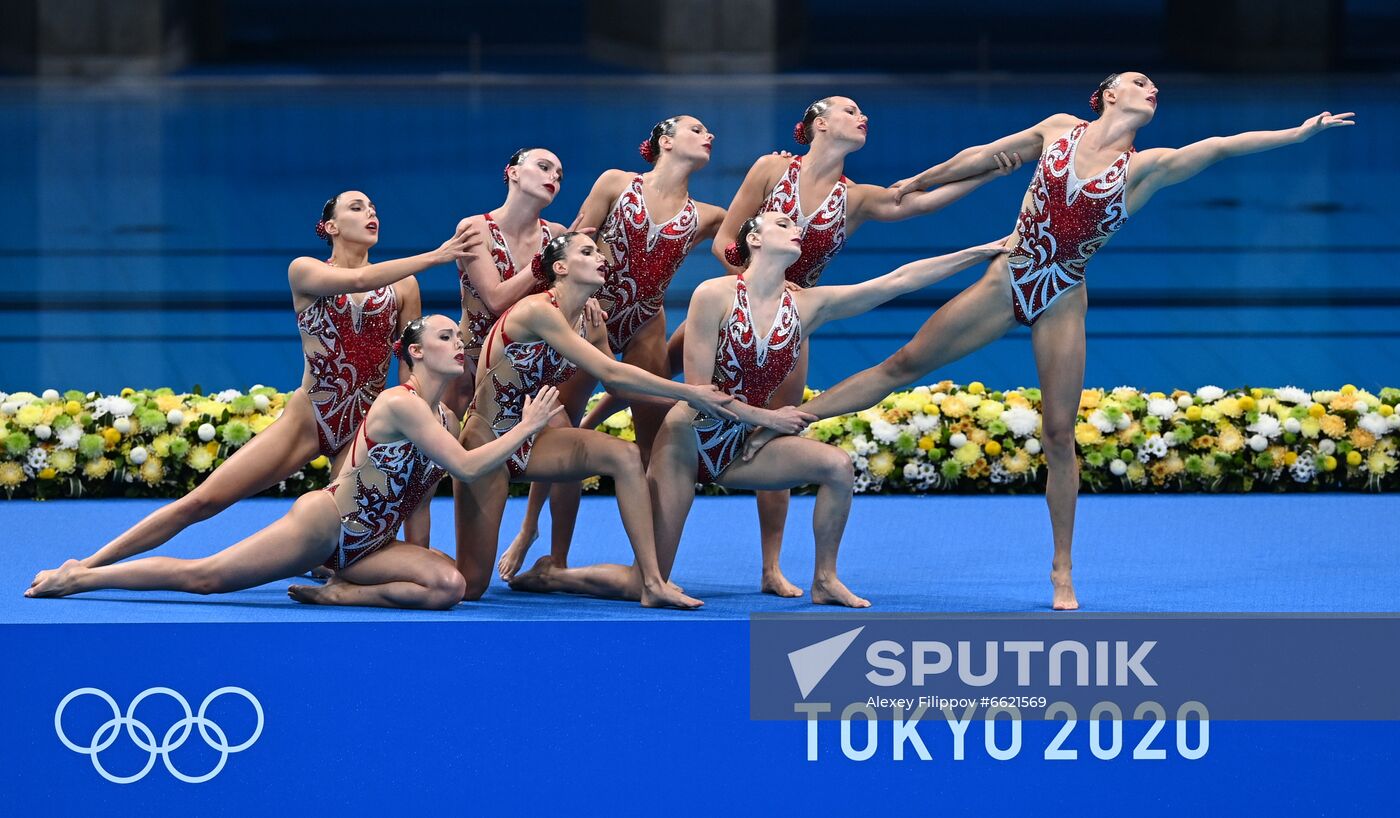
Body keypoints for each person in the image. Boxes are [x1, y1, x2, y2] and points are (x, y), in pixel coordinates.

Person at [746, 73, 1355, 610]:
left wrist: (1294, 135)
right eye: (1140, 83)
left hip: (1062, 293)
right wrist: (918, 181)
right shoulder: (1059, 130)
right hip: (1008, 274)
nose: (1152, 91)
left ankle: (1062, 567)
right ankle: (778, 421)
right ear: (1108, 94)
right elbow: (984, 156)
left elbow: (1219, 147)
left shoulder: (1143, 166)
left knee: (1060, 434)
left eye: (1155, 89)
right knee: (902, 364)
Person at [510, 213, 1007, 606]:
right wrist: (767, 420)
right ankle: (558, 577)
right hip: (689, 440)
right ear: (754, 240)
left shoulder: (809, 305)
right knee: (649, 581)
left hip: (741, 443)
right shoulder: (714, 295)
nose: (797, 230)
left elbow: (896, 281)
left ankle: (825, 578)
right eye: (783, 224)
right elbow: (701, 393)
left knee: (836, 466)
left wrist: (978, 252)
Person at [27, 315, 562, 608]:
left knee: (449, 587)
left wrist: (409, 556)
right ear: (414, 353)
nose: (459, 342)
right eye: (446, 336)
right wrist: (526, 428)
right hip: (323, 526)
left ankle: (342, 595)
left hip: (370, 547)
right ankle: (80, 576)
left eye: (458, 336)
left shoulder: (445, 420)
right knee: (207, 578)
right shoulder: (400, 404)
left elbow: (416, 501)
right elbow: (470, 469)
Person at [76, 191, 479, 570]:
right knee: (203, 501)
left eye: (373, 207)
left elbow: (411, 367)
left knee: (347, 536)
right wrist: (436, 255)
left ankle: (373, 576)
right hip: (311, 418)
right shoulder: (305, 271)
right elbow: (357, 282)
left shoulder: (404, 286)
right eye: (357, 207)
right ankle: (88, 564)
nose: (371, 213)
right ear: (331, 226)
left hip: (365, 425)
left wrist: (419, 424)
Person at [453, 231, 805, 608]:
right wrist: (689, 392)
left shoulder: (590, 321)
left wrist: (686, 410)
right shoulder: (538, 311)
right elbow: (615, 372)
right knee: (469, 586)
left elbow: (616, 389)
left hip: (532, 438)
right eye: (587, 252)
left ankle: (651, 581)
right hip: (487, 440)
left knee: (623, 455)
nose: (601, 258)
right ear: (560, 267)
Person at [499, 115, 728, 581]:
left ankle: (652, 565)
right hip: (588, 318)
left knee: (655, 445)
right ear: (666, 141)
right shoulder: (617, 183)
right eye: (697, 129)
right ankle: (536, 537)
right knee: (561, 431)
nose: (709, 137)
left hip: (646, 323)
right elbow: (571, 244)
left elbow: (748, 240)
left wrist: (787, 169)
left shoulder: (709, 216)